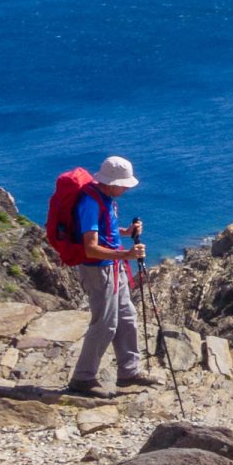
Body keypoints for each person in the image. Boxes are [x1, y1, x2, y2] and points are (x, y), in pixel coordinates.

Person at [65, 156, 161, 398]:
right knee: (105, 324)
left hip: (113, 266)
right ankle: (83, 378)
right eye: (124, 184)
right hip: (98, 270)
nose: (127, 188)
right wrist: (126, 254)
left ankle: (129, 372)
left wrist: (126, 233)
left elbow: (104, 230)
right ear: (112, 182)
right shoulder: (90, 203)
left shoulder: (105, 199)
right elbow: (90, 247)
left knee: (127, 316)